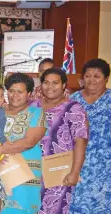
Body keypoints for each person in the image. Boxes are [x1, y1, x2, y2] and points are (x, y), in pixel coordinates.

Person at [30, 68, 89, 214]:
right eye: (46, 82)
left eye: (55, 83)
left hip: (58, 174)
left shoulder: (73, 108)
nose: (50, 87)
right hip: (31, 171)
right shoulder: (32, 106)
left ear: (63, 85)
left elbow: (80, 142)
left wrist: (75, 172)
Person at [0, 73, 47, 213]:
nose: (15, 95)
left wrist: (0, 149)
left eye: (20, 91)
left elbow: (29, 142)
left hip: (24, 175)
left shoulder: (37, 113)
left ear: (29, 94)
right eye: (11, 91)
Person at [69, 58, 111, 213]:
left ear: (106, 78)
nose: (91, 80)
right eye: (88, 76)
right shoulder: (72, 100)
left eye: (97, 76)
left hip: (106, 167)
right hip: (76, 164)